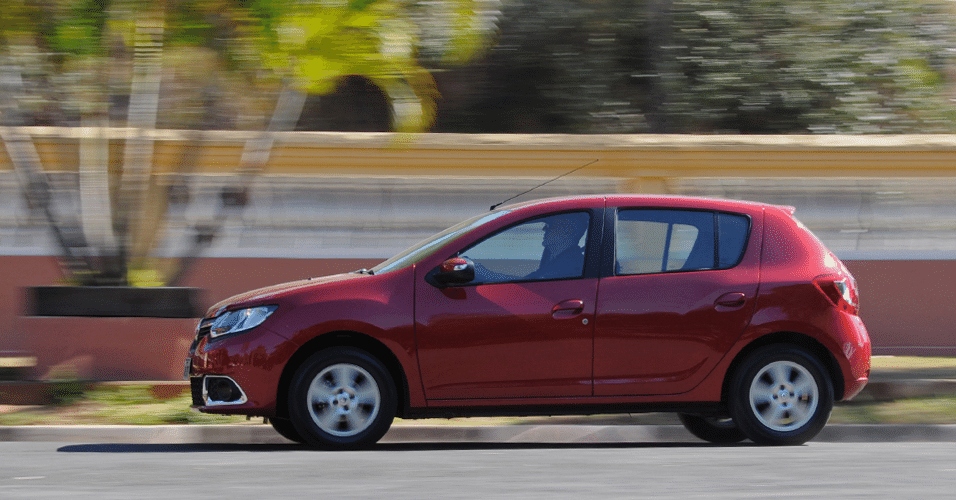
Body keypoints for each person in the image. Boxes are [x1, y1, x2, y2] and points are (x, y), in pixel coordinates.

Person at [525, 215, 588, 280]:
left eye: (550, 225)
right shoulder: (555, 261)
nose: (544, 229)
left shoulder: (570, 268)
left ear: (567, 231)